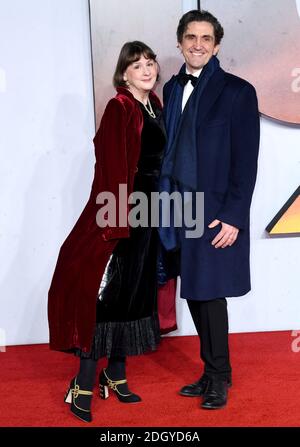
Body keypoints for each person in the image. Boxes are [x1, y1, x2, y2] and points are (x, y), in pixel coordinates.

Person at [48, 41, 170, 422]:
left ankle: (115, 373)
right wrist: (116, 222)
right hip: (123, 210)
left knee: (135, 292)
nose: (146, 70)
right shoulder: (119, 108)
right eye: (137, 66)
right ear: (124, 74)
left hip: (148, 210)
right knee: (106, 295)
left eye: (150, 63)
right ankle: (83, 381)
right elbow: (112, 164)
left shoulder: (155, 106)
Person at [159, 10, 260, 409]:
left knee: (211, 294)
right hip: (179, 208)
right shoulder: (171, 88)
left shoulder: (238, 91)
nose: (197, 44)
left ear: (217, 45)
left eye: (205, 38)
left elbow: (246, 161)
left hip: (217, 211)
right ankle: (212, 369)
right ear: (180, 42)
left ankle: (219, 377)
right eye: (190, 37)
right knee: (195, 294)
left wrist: (235, 216)